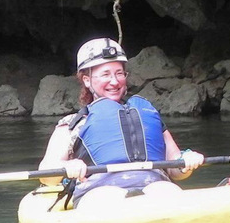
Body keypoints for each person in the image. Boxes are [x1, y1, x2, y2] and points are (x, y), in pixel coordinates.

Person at [38, 38, 205, 209]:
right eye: (105, 74)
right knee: (109, 196)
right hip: (98, 191)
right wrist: (67, 166)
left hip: (155, 184)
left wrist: (186, 163)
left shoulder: (148, 115)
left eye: (119, 73)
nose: (114, 81)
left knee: (167, 191)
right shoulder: (73, 125)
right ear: (87, 80)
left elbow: (174, 169)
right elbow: (46, 174)